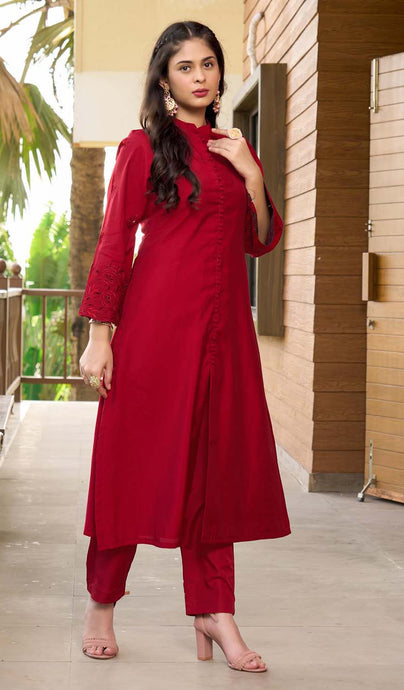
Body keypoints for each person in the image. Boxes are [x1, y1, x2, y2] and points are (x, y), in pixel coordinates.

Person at [78, 20, 291, 674]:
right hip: (156, 331)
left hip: (224, 338)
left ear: (220, 74)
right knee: (129, 466)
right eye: (185, 67)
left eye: (208, 64)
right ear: (165, 80)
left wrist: (249, 172)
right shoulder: (143, 147)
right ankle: (102, 605)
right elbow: (115, 242)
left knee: (215, 471)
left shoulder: (234, 147)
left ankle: (214, 612)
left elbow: (260, 239)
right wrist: (100, 337)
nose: (200, 76)